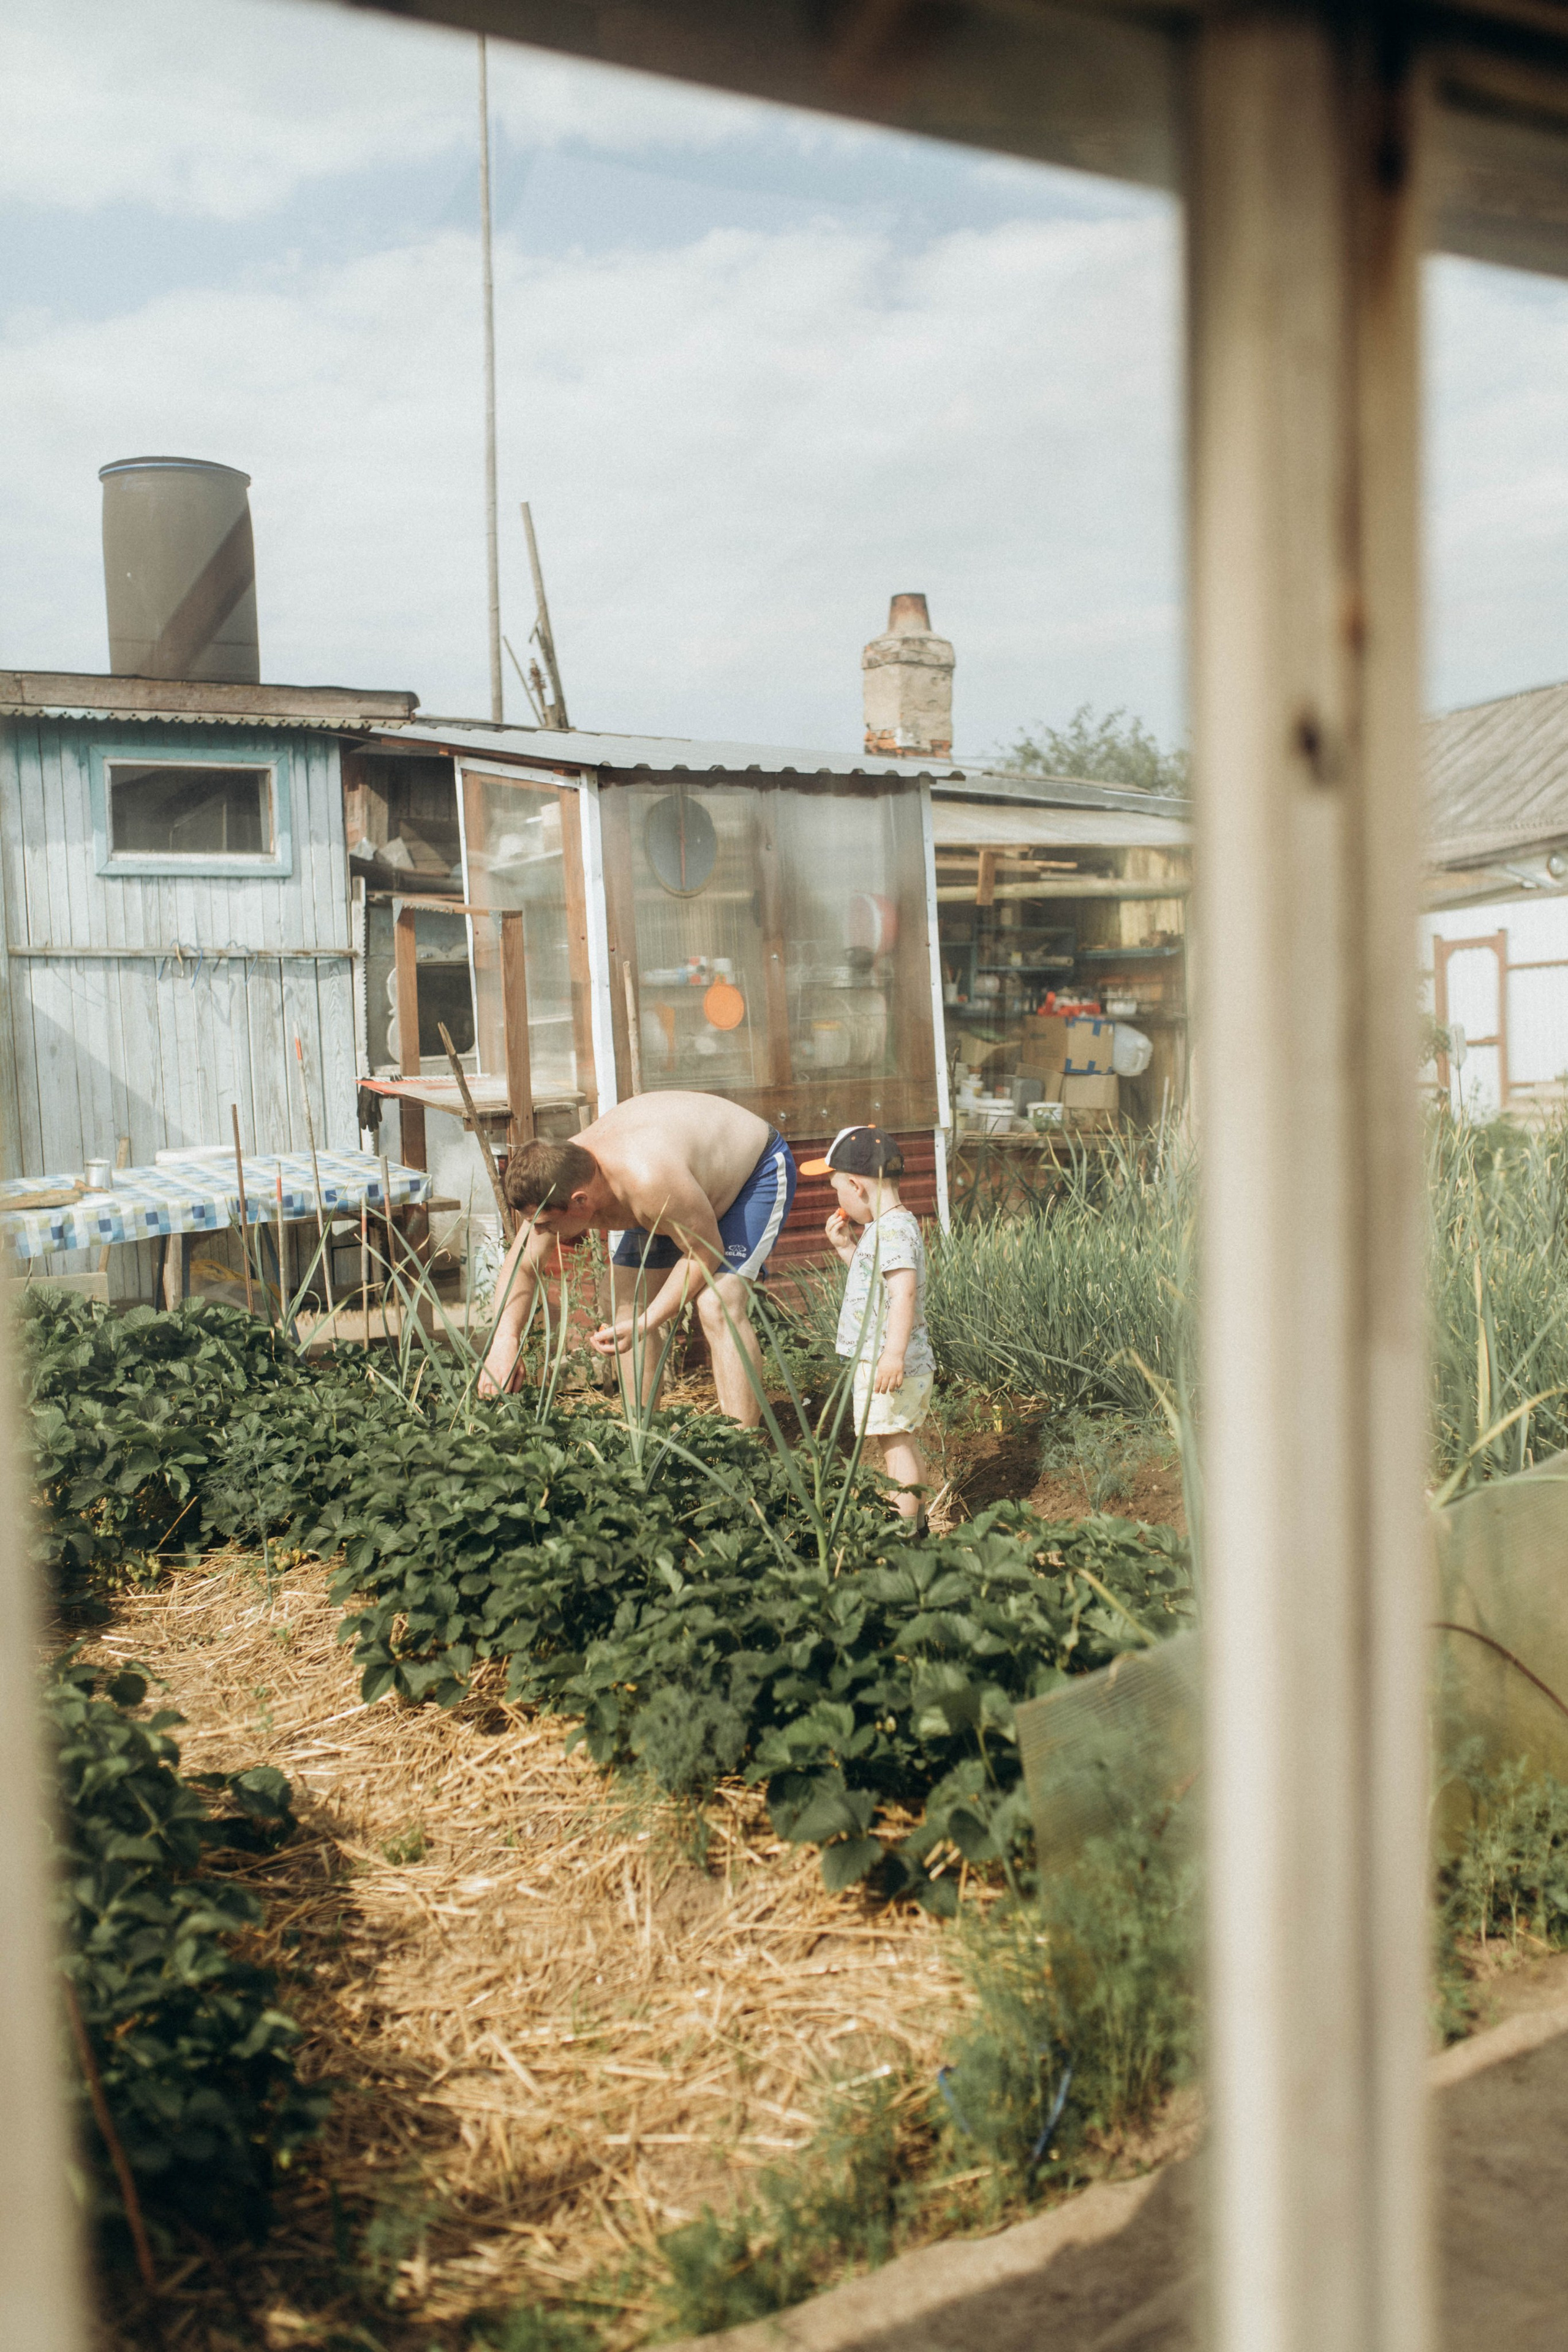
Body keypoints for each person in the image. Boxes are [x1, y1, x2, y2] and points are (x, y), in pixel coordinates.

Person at [478, 1092, 797, 1423]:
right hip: (681, 1189)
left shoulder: (648, 1181)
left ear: (580, 1201)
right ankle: (642, 1435)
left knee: (718, 1304)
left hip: (752, 1172)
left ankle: (743, 1444)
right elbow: (523, 1267)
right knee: (625, 1302)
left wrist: (646, 1324)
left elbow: (704, 1252)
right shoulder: (556, 1176)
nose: (539, 1233)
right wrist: (505, 1340)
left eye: (544, 1224)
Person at [807, 1125, 933, 1525]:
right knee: (902, 1443)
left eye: (836, 1191)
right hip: (895, 1361)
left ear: (856, 1186)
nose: (838, 1201)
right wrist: (848, 1248)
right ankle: (919, 1525)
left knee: (895, 1449)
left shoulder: (891, 1232)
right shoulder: (891, 1226)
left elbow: (903, 1294)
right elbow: (876, 1285)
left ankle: (903, 1533)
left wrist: (892, 1356)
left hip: (890, 1363)